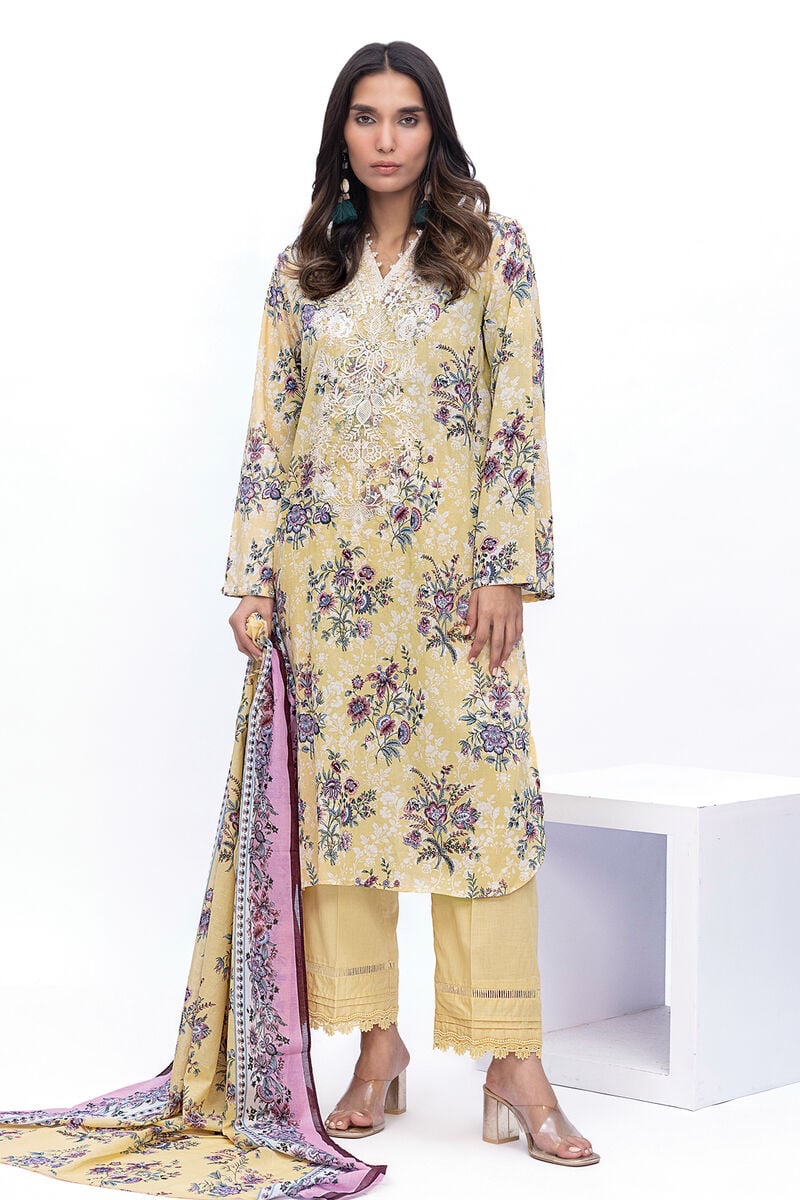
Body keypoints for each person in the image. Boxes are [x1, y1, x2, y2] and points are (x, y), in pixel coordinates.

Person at [224, 41, 599, 1168]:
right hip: (330, 593)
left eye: (406, 117)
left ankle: (511, 1059)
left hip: (453, 593)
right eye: (365, 117)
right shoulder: (304, 271)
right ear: (339, 134)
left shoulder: (490, 253)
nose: (385, 139)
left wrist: (505, 566)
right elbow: (270, 427)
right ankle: (373, 1045)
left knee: (483, 808)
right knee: (341, 825)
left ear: (434, 130)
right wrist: (252, 576)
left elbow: (517, 411)